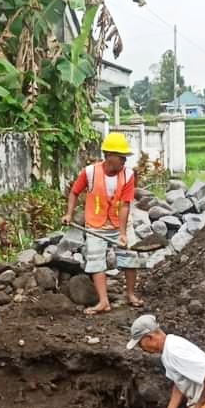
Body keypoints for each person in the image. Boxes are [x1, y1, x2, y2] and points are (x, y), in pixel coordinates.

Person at [63, 132, 143, 315]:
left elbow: (125, 205)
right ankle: (103, 301)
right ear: (108, 155)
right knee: (97, 261)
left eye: (125, 158)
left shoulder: (128, 175)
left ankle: (130, 294)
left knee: (131, 256)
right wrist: (69, 214)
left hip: (120, 224)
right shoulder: (90, 172)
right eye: (121, 157)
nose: (124, 161)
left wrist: (122, 233)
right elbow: (74, 192)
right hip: (95, 224)